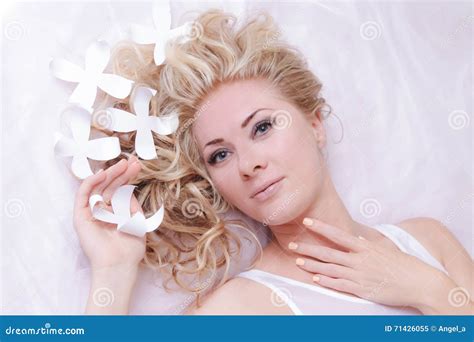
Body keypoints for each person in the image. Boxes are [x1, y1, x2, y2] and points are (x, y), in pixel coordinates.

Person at [74, 9, 473, 315]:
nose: (248, 164)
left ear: (315, 124)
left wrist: (429, 290)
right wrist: (113, 272)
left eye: (263, 127)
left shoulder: (427, 241)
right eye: (220, 154)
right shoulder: (239, 307)